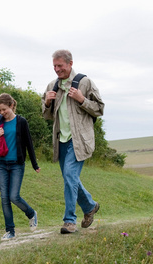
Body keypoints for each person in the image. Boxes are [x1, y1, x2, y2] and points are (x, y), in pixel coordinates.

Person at [42, 50, 104, 234]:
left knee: (70, 177)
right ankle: (90, 206)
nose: (57, 69)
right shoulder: (52, 86)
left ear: (70, 64)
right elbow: (47, 116)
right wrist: (46, 103)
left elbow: (99, 109)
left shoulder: (85, 82)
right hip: (60, 140)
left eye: (60, 65)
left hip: (79, 141)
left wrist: (82, 99)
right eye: (54, 66)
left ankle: (69, 221)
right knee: (71, 179)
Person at [0, 93, 40, 241]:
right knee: (4, 198)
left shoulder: (21, 122)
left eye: (4, 109)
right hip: (2, 164)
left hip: (17, 164)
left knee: (14, 196)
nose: (2, 112)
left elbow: (28, 143)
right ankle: (10, 231)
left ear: (11, 105)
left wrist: (35, 164)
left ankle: (31, 214)